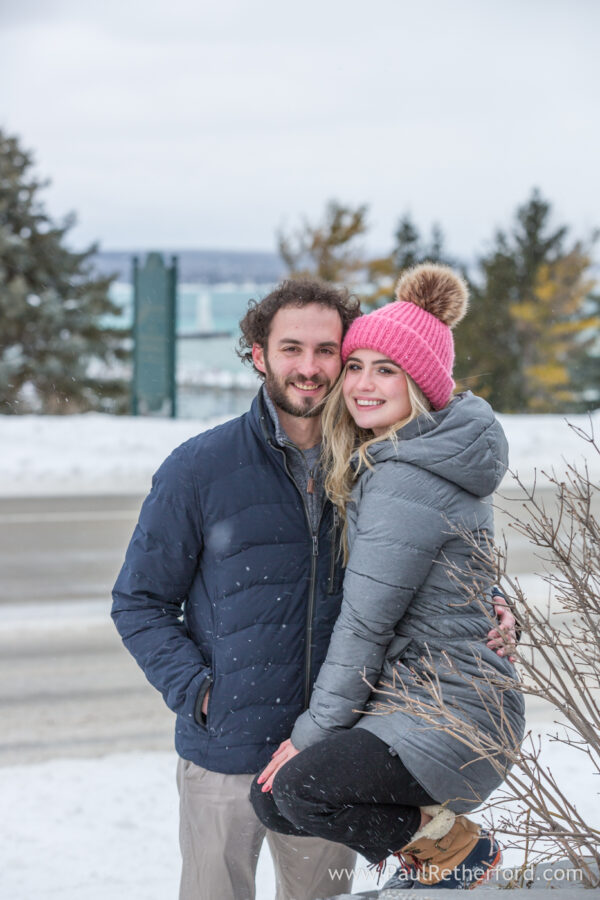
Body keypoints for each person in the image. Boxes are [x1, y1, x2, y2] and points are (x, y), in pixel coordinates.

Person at [111, 277, 518, 900]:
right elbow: (138, 601)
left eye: (328, 351)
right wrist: (200, 694)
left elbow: (429, 570)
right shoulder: (201, 467)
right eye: (291, 349)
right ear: (258, 355)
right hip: (226, 748)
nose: (311, 368)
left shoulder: (376, 459)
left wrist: (495, 610)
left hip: (336, 746)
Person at [251, 264, 526, 891]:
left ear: (421, 382)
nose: (362, 384)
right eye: (356, 366)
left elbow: (367, 621)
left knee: (297, 789)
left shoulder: (405, 474)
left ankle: (459, 852)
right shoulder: (414, 453)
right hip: (427, 694)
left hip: (451, 707)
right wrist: (499, 605)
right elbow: (462, 571)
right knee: (278, 799)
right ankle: (443, 848)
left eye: (386, 370)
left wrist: (311, 735)